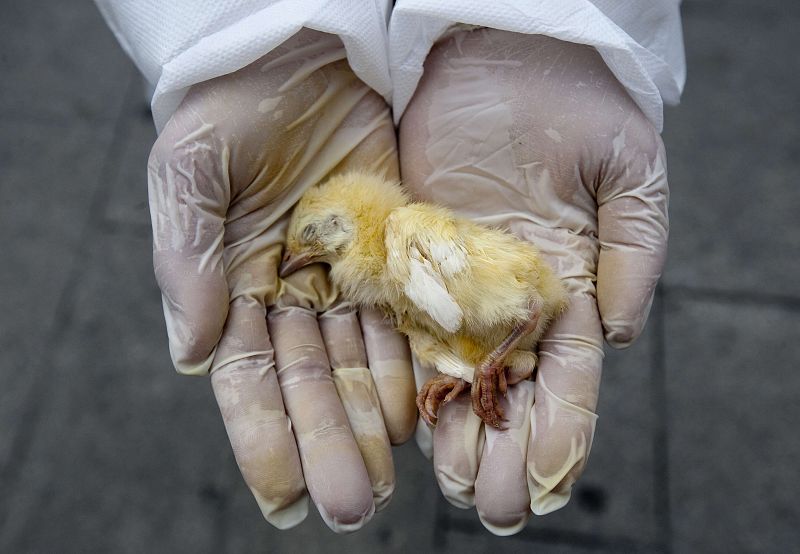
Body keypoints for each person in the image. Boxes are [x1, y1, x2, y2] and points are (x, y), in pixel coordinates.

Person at [95, 0, 684, 536]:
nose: (300, 259)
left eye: (310, 243)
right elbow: (459, 312)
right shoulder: (383, 263)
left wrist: (536, 21)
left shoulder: (404, 235)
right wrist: (254, 34)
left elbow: (511, 296)